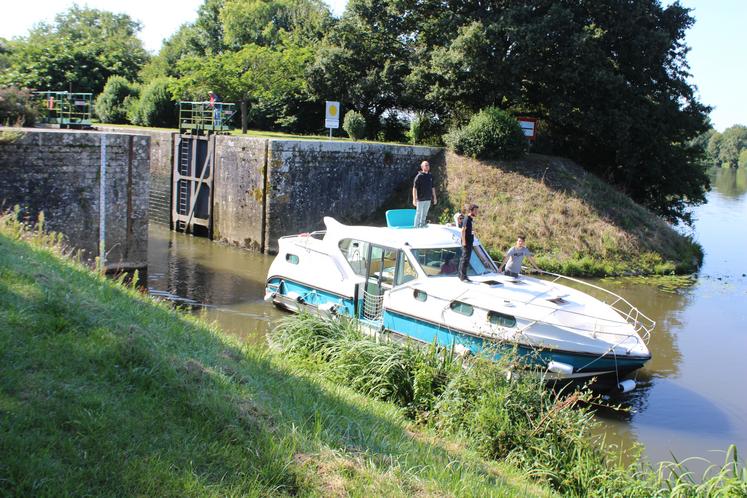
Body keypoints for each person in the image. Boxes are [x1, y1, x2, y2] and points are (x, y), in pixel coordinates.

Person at [412, 161, 437, 228]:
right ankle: (416, 227)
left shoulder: (430, 176)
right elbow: (414, 188)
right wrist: (414, 199)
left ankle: (422, 225)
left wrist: (434, 197)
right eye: (426, 165)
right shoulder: (419, 176)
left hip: (428, 198)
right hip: (420, 199)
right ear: (422, 167)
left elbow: (433, 187)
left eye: (428, 165)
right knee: (418, 213)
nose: (427, 166)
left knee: (424, 214)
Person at [458, 204, 478, 282]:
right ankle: (463, 277)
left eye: (477, 211)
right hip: (466, 242)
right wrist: (464, 241)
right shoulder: (467, 218)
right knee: (465, 259)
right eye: (475, 211)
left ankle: (461, 275)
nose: (477, 212)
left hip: (469, 242)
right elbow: (463, 230)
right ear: (471, 211)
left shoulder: (471, 219)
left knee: (465, 258)